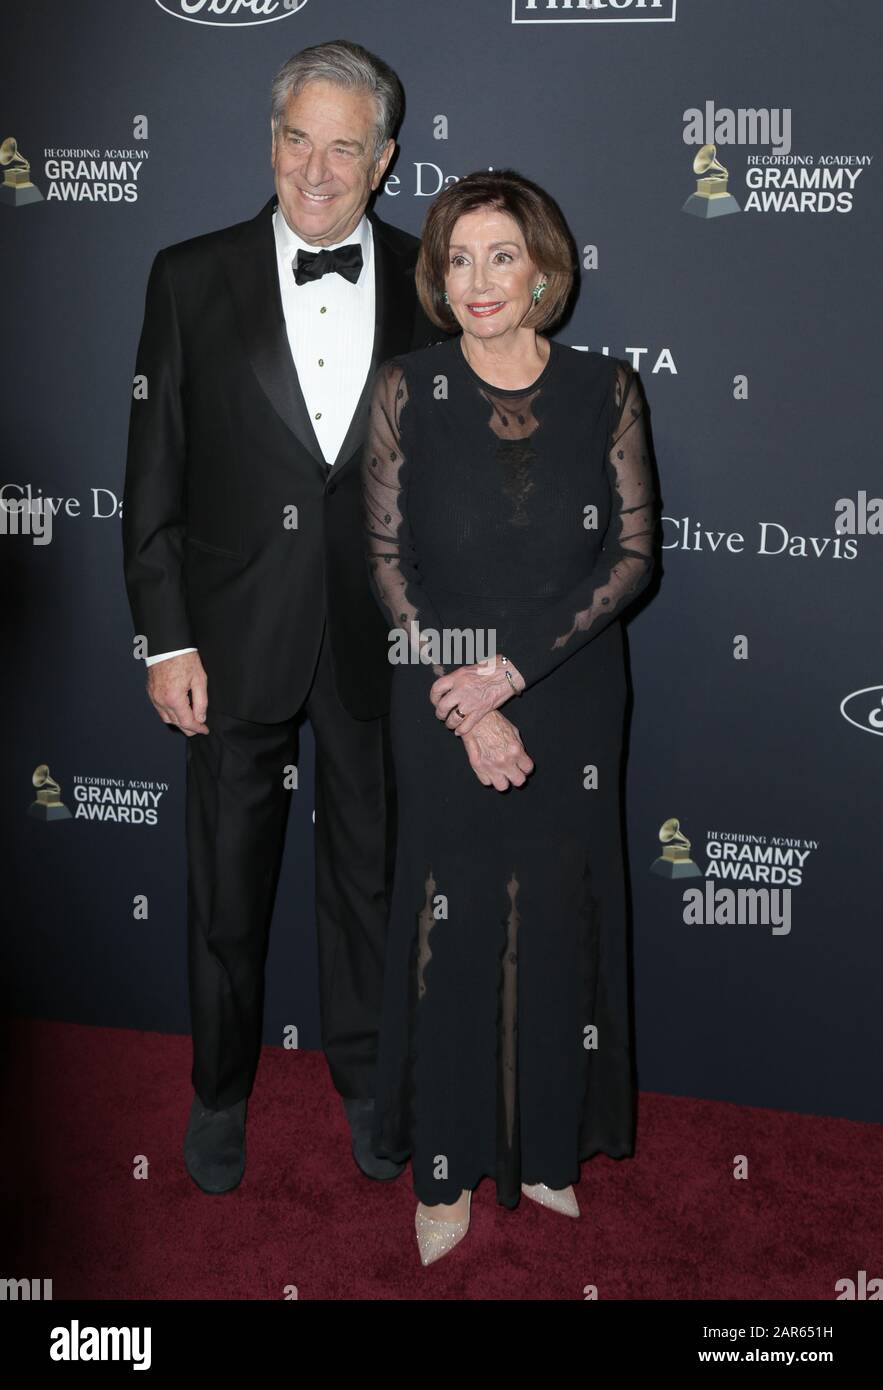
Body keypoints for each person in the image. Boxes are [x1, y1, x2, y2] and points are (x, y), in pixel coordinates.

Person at [122, 40, 437, 1195]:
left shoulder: (425, 279)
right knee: (224, 888)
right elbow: (152, 473)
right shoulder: (187, 275)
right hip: (230, 641)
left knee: (371, 877)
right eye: (297, 137)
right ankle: (218, 1091)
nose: (316, 167)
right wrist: (166, 635)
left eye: (345, 144)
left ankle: (365, 1078)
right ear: (271, 142)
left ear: (383, 158)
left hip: (374, 646)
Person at [361, 169, 660, 1264]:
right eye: (457, 259)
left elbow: (631, 559)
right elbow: (390, 568)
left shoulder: (608, 389)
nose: (479, 281)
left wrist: (513, 675)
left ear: (542, 267)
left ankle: (543, 1147)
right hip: (436, 690)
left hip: (572, 689)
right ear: (438, 278)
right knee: (454, 916)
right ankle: (441, 1167)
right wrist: (470, 698)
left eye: (500, 255)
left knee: (557, 914)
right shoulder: (407, 388)